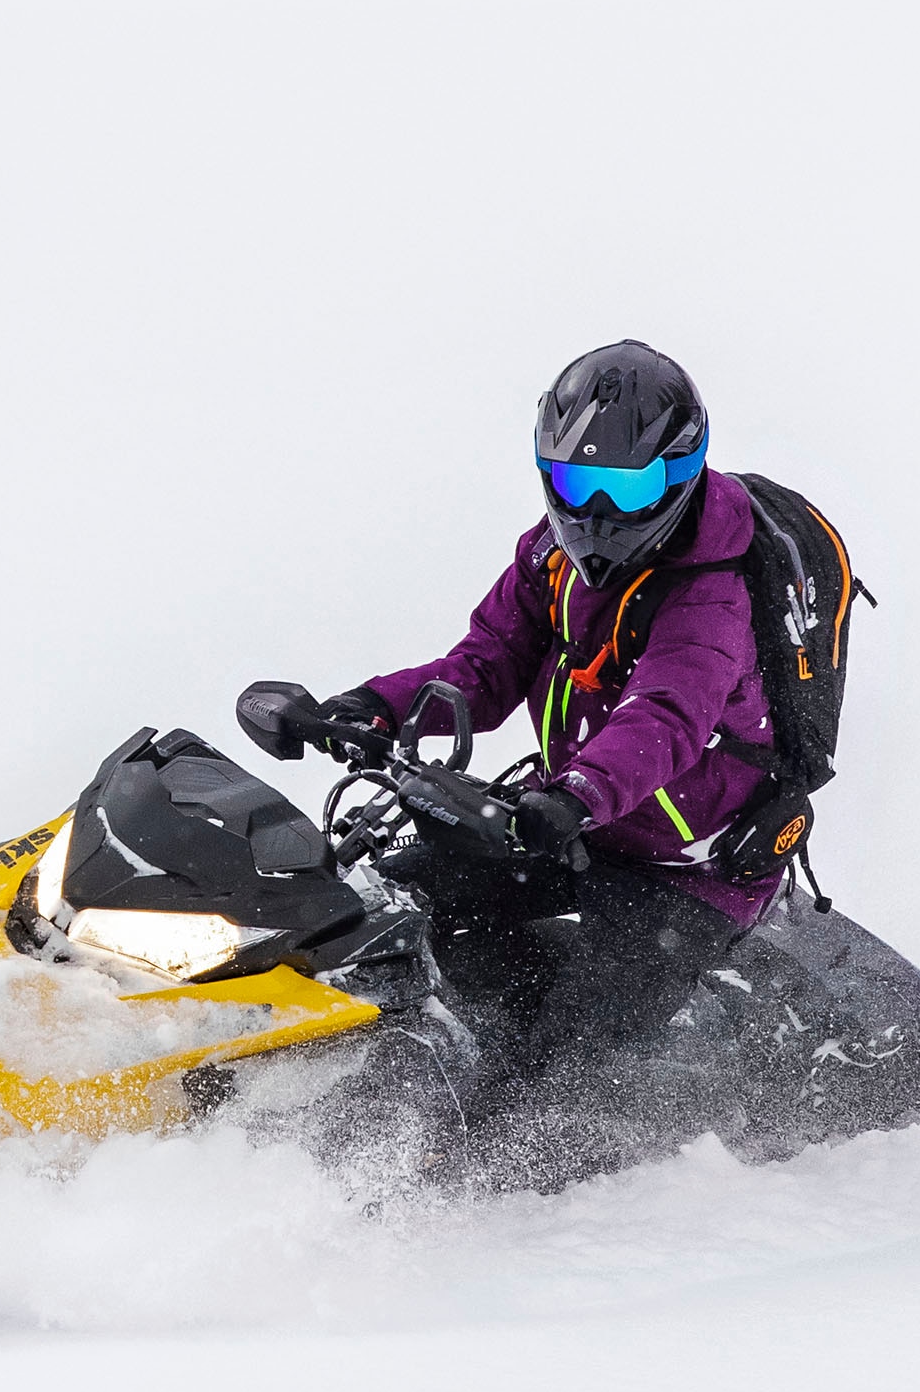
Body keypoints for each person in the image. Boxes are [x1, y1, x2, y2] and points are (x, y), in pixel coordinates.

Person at [248, 340, 787, 1089]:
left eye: (625, 493)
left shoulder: (712, 596)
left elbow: (663, 717)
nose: (596, 514)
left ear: (679, 477)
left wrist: (576, 795)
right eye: (575, 482)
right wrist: (369, 708)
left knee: (552, 1081)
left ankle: (497, 1179)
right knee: (366, 920)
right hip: (559, 822)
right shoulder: (550, 557)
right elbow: (486, 666)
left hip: (684, 868)